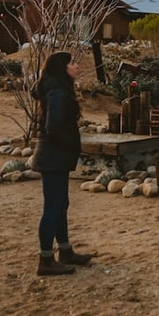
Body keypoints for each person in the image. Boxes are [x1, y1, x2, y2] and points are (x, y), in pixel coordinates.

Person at [32, 51, 94, 276]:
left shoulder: (57, 89)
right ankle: (46, 259)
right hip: (54, 157)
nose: (77, 66)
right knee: (53, 208)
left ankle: (65, 251)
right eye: (72, 63)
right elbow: (54, 128)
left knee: (61, 205)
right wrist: (71, 146)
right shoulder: (58, 93)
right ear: (62, 68)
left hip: (55, 157)